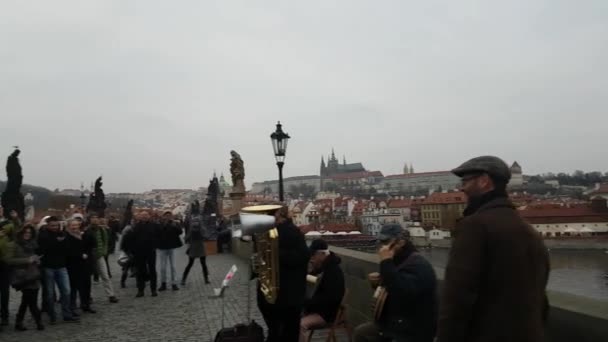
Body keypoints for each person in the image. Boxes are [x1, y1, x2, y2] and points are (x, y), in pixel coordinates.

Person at [437, 156, 550, 342]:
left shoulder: (475, 226)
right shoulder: (527, 228)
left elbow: (458, 297)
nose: (461, 188)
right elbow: (541, 299)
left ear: (484, 181)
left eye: (466, 181)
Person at [353, 224, 438, 342]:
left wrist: (386, 262)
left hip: (412, 327)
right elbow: (393, 285)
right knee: (361, 333)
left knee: (366, 335)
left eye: (386, 241)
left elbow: (401, 291)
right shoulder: (398, 259)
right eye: (381, 242)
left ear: (401, 242)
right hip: (395, 322)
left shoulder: (418, 265)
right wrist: (379, 283)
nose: (382, 246)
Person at [257, 206, 310, 342]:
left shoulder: (291, 232)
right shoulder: (272, 231)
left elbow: (303, 256)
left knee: (285, 333)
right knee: (276, 331)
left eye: (268, 214)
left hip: (288, 295)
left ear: (279, 214)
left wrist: (274, 253)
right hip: (277, 295)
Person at [300, 239, 345, 342]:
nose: (311, 258)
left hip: (325, 314)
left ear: (322, 254)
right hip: (315, 310)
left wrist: (306, 303)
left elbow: (330, 299)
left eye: (313, 255)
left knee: (299, 325)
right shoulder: (322, 268)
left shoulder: (334, 272)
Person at [37, 216, 79, 324]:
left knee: (66, 291)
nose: (54, 227)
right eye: (52, 225)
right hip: (48, 268)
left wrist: (60, 240)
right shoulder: (43, 235)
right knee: (50, 295)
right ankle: (52, 315)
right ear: (47, 225)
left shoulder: (62, 234)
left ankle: (67, 314)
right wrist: (58, 242)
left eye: (56, 225)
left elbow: (66, 248)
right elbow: (45, 248)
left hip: (61, 266)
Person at [122, 211, 159, 297]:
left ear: (149, 216)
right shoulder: (136, 226)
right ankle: (140, 290)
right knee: (140, 271)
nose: (144, 217)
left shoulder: (154, 225)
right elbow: (130, 238)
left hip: (151, 251)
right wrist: (131, 250)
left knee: (152, 270)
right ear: (140, 217)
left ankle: (153, 290)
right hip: (139, 252)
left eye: (146, 215)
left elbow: (159, 236)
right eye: (142, 215)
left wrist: (155, 245)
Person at [84, 214, 118, 303]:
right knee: (89, 278)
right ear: (90, 220)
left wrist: (104, 252)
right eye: (93, 219)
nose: (95, 221)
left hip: (100, 256)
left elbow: (105, 241)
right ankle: (89, 296)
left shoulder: (102, 230)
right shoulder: (87, 231)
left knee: (105, 276)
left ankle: (111, 295)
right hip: (90, 257)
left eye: (96, 219)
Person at [65, 219, 96, 314]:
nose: (74, 227)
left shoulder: (83, 235)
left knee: (86, 286)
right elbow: (68, 251)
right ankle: (72, 307)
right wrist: (80, 255)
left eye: (76, 225)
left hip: (85, 265)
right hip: (73, 265)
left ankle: (85, 304)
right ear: (69, 226)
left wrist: (86, 233)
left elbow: (92, 244)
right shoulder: (66, 237)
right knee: (73, 287)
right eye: (72, 225)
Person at [0, 208, 20, 327]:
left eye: (0, 208)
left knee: (4, 291)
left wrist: (16, 219)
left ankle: (5, 316)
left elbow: (18, 233)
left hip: (4, 261)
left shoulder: (8, 223)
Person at [181, 211, 210, 285]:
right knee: (203, 264)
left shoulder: (192, 228)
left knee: (190, 264)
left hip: (194, 246)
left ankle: (183, 279)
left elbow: (186, 238)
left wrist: (188, 240)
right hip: (199, 246)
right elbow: (206, 236)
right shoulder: (201, 228)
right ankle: (206, 279)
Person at [157, 211, 182, 291]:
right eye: (166, 215)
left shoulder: (174, 223)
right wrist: (165, 224)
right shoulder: (159, 223)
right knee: (162, 267)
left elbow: (180, 232)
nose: (168, 217)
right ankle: (163, 283)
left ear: (171, 216)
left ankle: (174, 283)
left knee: (173, 266)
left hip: (172, 247)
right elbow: (158, 232)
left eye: (169, 215)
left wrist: (173, 225)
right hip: (162, 247)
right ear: (164, 216)